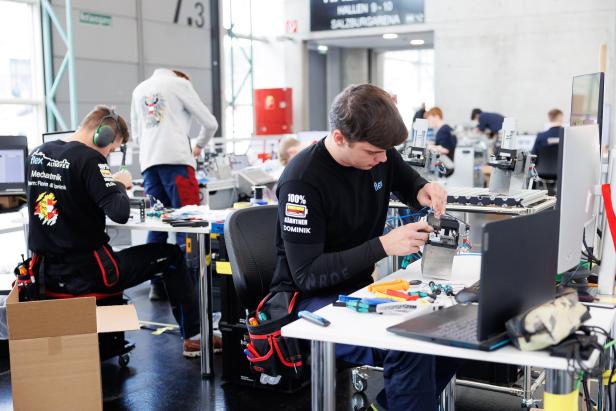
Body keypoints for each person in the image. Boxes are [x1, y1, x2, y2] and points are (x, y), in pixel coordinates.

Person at [269, 84, 458, 411]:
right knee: (411, 345)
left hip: (358, 288)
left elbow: (407, 182)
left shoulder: (379, 151)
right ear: (340, 137)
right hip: (308, 301)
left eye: (386, 152)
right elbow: (307, 275)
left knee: (451, 329)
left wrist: (425, 188)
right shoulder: (303, 180)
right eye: (373, 153)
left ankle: (385, 405)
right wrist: (383, 246)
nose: (383, 159)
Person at [27, 105, 201, 357]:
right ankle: (194, 337)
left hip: (47, 275)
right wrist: (118, 183)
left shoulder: (38, 154)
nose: (109, 153)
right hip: (90, 274)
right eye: (112, 147)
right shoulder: (90, 158)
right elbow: (119, 213)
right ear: (103, 135)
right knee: (172, 255)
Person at [131, 68, 218, 300]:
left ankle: (156, 285)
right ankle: (187, 287)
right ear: (182, 78)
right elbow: (210, 123)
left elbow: (137, 135)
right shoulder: (180, 85)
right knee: (187, 224)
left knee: (157, 224)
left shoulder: (139, 90)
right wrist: (198, 145)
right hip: (177, 162)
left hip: (149, 165)